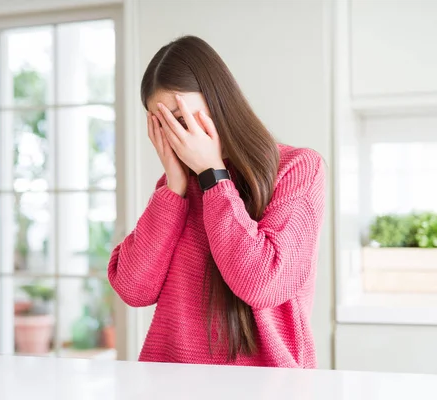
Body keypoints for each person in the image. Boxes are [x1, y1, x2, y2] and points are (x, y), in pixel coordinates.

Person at [108, 35, 325, 368]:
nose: (175, 136)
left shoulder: (297, 168)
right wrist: (174, 187)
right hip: (169, 386)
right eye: (161, 124)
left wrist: (213, 176)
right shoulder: (176, 188)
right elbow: (133, 289)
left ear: (218, 101)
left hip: (267, 388)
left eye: (180, 119)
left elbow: (262, 283)